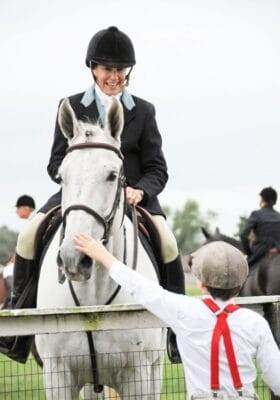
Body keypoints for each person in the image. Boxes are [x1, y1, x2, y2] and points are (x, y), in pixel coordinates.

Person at [0, 26, 184, 362]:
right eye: (107, 69)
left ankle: (175, 333)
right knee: (27, 236)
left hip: (132, 196)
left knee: (168, 242)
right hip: (80, 195)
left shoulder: (143, 111)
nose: (114, 77)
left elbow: (158, 167)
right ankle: (20, 334)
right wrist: (77, 178)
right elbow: (56, 160)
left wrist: (140, 190)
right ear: (92, 69)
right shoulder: (69, 105)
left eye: (120, 70)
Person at [73, 234, 280, 398]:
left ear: (200, 283)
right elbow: (277, 380)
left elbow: (141, 287)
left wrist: (103, 255)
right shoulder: (256, 323)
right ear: (241, 284)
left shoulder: (184, 311)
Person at [240, 187, 280, 267]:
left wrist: (249, 252)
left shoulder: (256, 214)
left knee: (241, 272)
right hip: (277, 251)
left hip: (260, 252)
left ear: (263, 200)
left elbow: (243, 234)